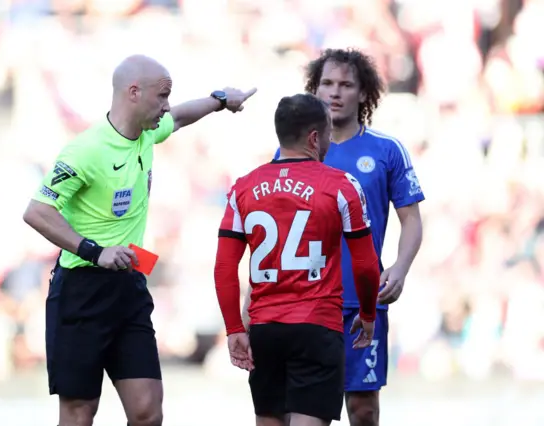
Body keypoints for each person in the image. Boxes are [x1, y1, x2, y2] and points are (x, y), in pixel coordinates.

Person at [23, 54, 256, 426]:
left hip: (129, 288)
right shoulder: (85, 150)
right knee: (79, 412)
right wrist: (94, 252)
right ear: (134, 92)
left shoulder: (149, 132)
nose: (167, 105)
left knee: (147, 410)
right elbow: (37, 211)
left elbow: (180, 117)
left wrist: (220, 101)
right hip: (81, 292)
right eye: (162, 96)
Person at [258, 48, 424, 426]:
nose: (335, 92)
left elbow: (411, 219)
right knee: (295, 408)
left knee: (362, 408)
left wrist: (400, 268)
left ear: (364, 94)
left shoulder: (386, 150)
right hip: (303, 300)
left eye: (346, 85)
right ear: (314, 90)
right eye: (327, 84)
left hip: (361, 298)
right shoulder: (294, 151)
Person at [214, 93, 381, 426]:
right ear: (315, 137)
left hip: (265, 330)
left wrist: (234, 327)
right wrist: (367, 313)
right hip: (316, 327)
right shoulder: (341, 186)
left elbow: (224, 268)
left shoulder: (243, 188)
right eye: (329, 133)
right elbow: (365, 265)